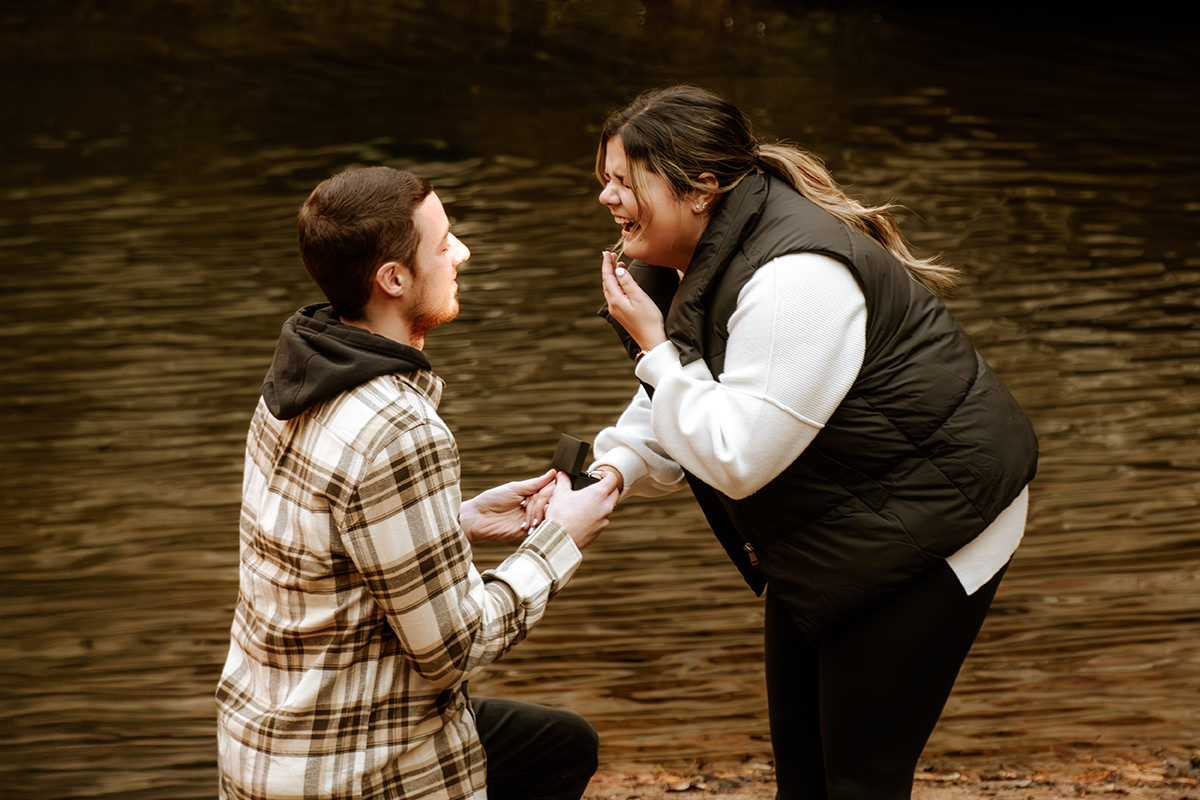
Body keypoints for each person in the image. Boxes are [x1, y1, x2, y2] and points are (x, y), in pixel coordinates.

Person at [586, 86, 1038, 799]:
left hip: (939, 523)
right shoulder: (689, 261)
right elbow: (692, 389)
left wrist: (650, 344)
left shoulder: (796, 278)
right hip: (841, 523)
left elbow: (738, 456)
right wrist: (611, 470)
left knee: (861, 778)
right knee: (805, 775)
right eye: (605, 181)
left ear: (701, 188)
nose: (608, 199)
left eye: (624, 180)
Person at [215, 166, 620, 800]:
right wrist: (559, 542)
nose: (461, 253)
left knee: (558, 742)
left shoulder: (291, 386)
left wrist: (452, 523)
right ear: (395, 279)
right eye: (444, 241)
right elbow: (456, 650)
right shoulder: (401, 428)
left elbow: (314, 548)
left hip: (263, 754)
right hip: (353, 770)